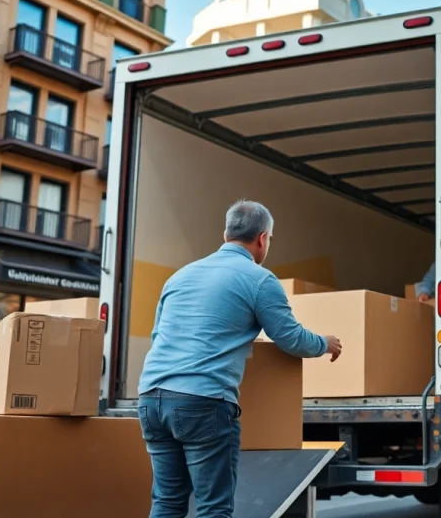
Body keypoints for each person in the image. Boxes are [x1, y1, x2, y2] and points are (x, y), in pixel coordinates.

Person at [137, 200, 343, 518]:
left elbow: (158, 337)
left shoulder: (179, 277)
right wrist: (324, 343)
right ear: (263, 238)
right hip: (202, 402)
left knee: (167, 500)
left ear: (225, 234)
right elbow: (290, 338)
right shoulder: (260, 280)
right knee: (213, 507)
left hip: (151, 399)